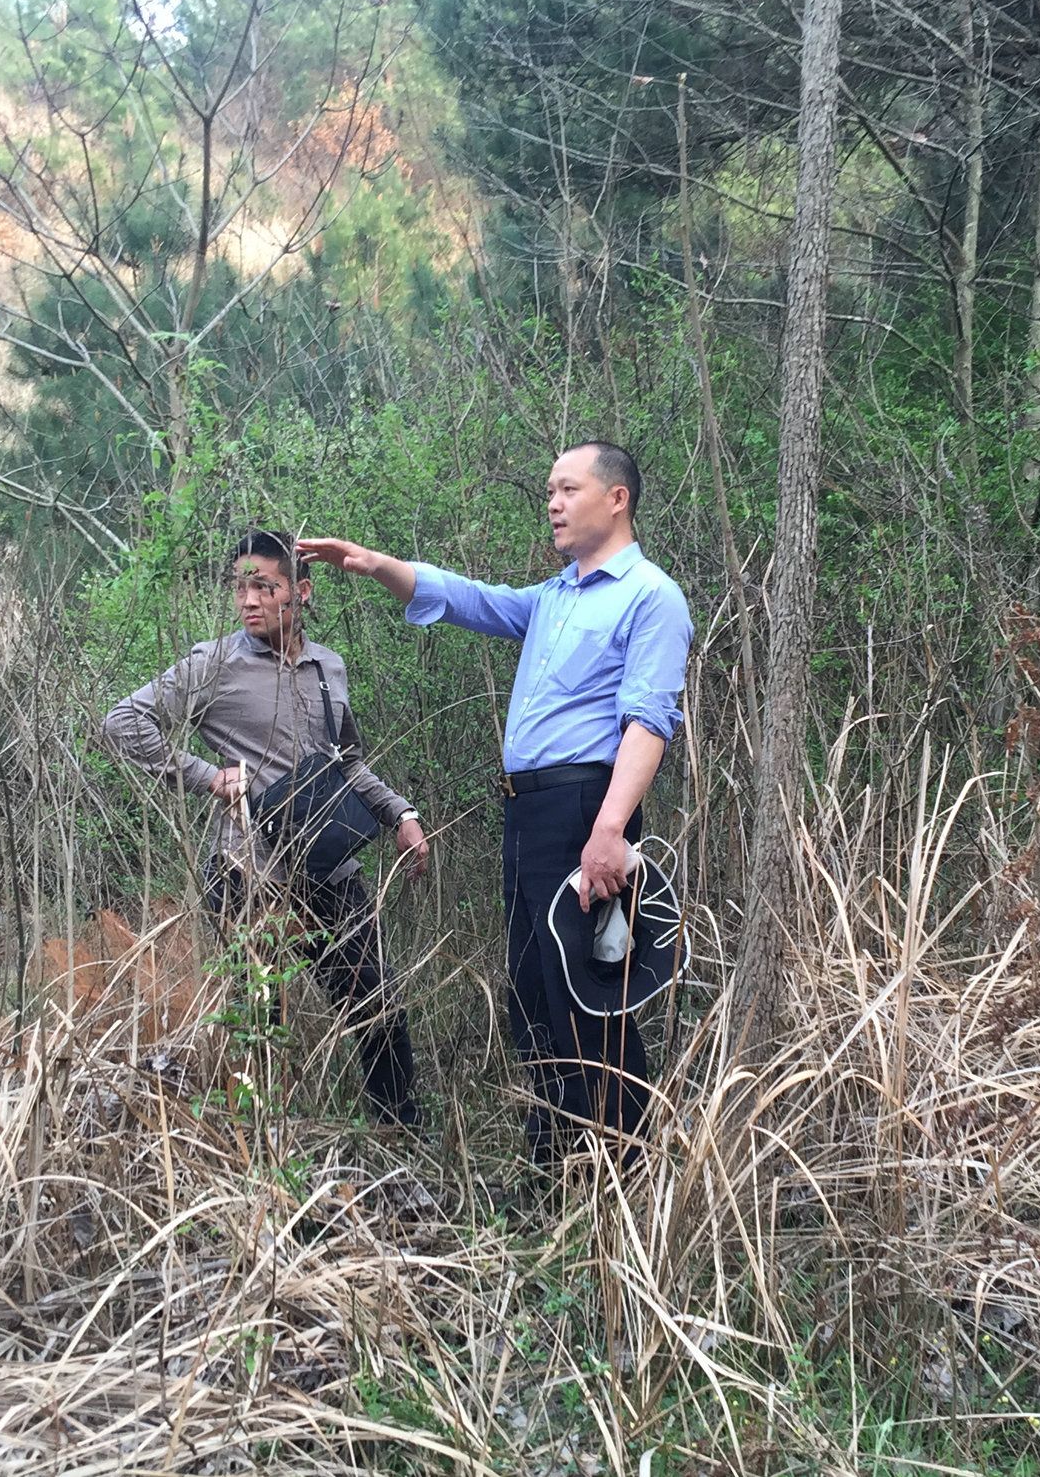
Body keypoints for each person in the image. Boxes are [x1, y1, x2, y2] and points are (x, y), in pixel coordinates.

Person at [300, 442, 693, 1162]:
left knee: (586, 997)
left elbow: (648, 722)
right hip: (527, 815)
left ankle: (621, 1170)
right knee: (532, 993)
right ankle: (558, 1166)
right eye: (548, 489)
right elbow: (470, 597)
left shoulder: (651, 597)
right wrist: (376, 562)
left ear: (617, 498)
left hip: (584, 812)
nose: (552, 502)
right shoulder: (554, 598)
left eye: (567, 488)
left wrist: (609, 830)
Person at [99, 530, 431, 1128]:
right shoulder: (215, 663)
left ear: (299, 593)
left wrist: (399, 813)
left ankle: (399, 1135)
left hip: (329, 867)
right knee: (257, 1023)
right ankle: (254, 1153)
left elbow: (346, 761)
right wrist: (208, 776)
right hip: (247, 872)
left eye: (264, 587)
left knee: (374, 1003)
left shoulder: (328, 666)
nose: (249, 600)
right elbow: (123, 723)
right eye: (240, 588)